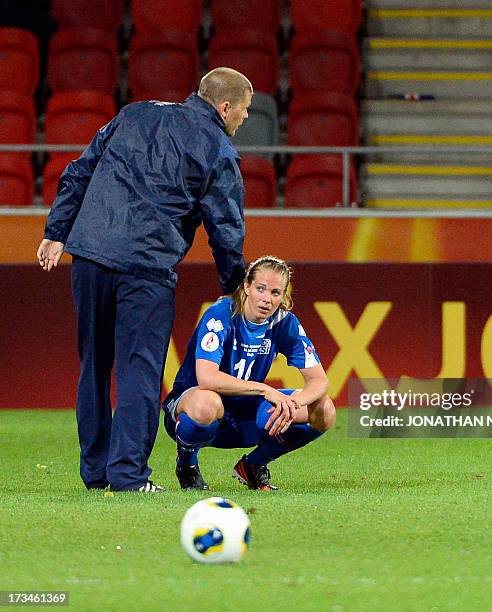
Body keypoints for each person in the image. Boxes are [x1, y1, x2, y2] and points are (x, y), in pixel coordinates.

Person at [36, 67, 253, 493]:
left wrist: (56, 231)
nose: (242, 121)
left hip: (91, 257)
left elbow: (80, 171)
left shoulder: (133, 114)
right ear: (225, 107)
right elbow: (226, 226)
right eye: (243, 113)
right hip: (147, 268)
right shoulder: (217, 148)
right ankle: (130, 476)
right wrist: (234, 283)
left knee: (94, 366)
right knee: (140, 369)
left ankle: (96, 474)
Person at [162, 255, 336, 491]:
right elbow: (207, 378)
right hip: (196, 410)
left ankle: (253, 465)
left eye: (275, 293)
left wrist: (293, 403)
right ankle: (187, 466)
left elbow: (319, 381)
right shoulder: (221, 314)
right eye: (261, 289)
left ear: (283, 296)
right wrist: (265, 389)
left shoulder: (285, 323)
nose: (267, 299)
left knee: (324, 410)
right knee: (207, 402)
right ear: (246, 286)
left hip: (246, 414)